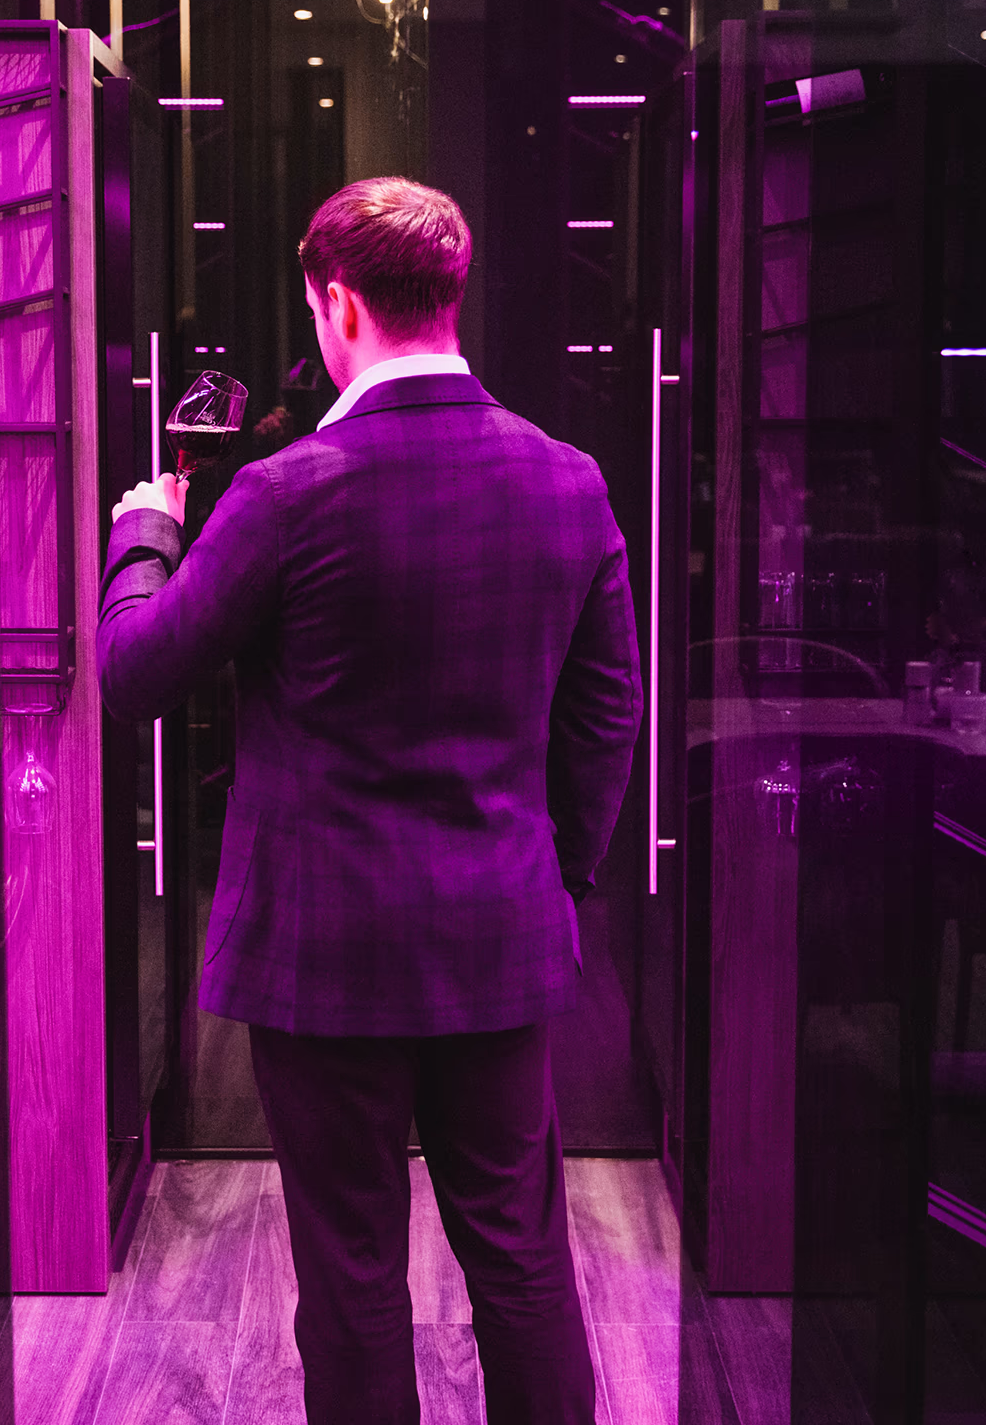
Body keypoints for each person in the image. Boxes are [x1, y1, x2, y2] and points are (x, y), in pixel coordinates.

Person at [97, 176, 642, 1424]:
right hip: (497, 933)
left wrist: (144, 533)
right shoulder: (568, 481)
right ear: (453, 291)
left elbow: (136, 673)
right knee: (521, 1260)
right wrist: (551, 875)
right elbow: (607, 712)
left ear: (335, 301)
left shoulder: (286, 492)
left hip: (323, 953)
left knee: (350, 1276)